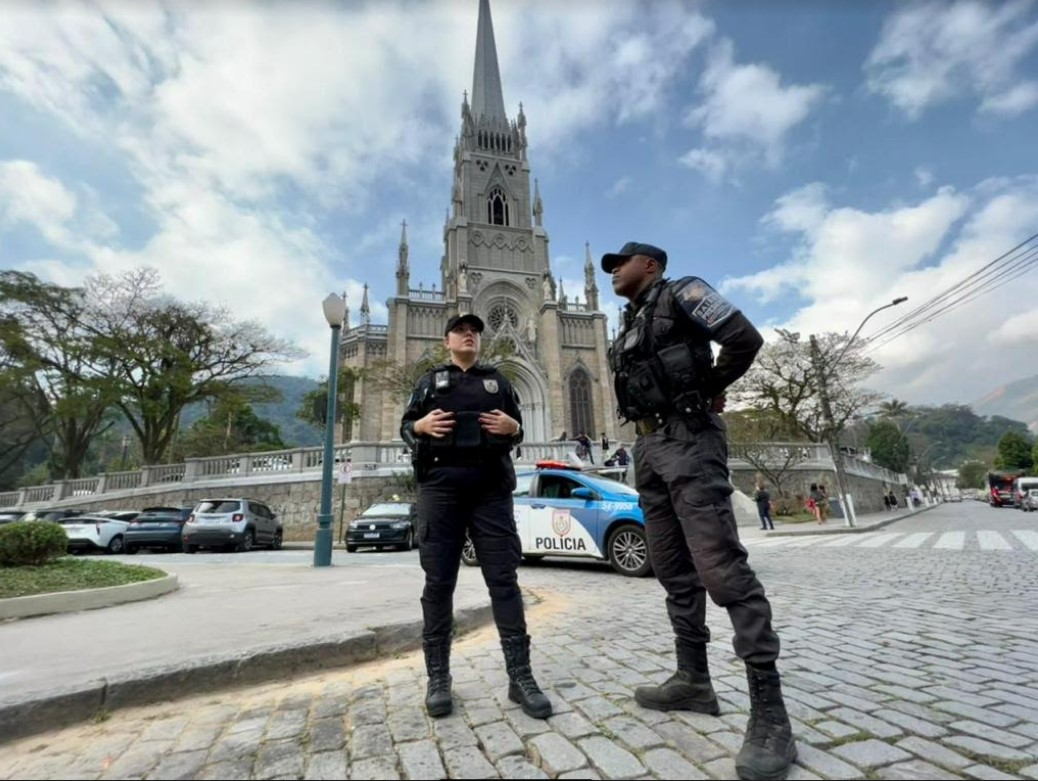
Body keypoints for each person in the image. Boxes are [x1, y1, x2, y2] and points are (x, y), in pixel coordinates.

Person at [601, 241, 796, 781]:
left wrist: (707, 388)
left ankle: (770, 715)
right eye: (610, 266)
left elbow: (743, 338)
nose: (614, 270)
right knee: (671, 568)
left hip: (689, 438)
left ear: (650, 265)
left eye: (621, 262)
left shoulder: (683, 292)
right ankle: (693, 679)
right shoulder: (628, 322)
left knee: (721, 567)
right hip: (648, 448)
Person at [400, 313, 551, 720]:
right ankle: (438, 679)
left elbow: (518, 430)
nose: (469, 336)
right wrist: (421, 425)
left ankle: (520, 676)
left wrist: (514, 426)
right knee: (438, 583)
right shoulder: (428, 382)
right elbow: (406, 427)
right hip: (440, 491)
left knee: (504, 580)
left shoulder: (499, 381)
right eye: (461, 331)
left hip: (490, 492)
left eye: (474, 332)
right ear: (447, 340)